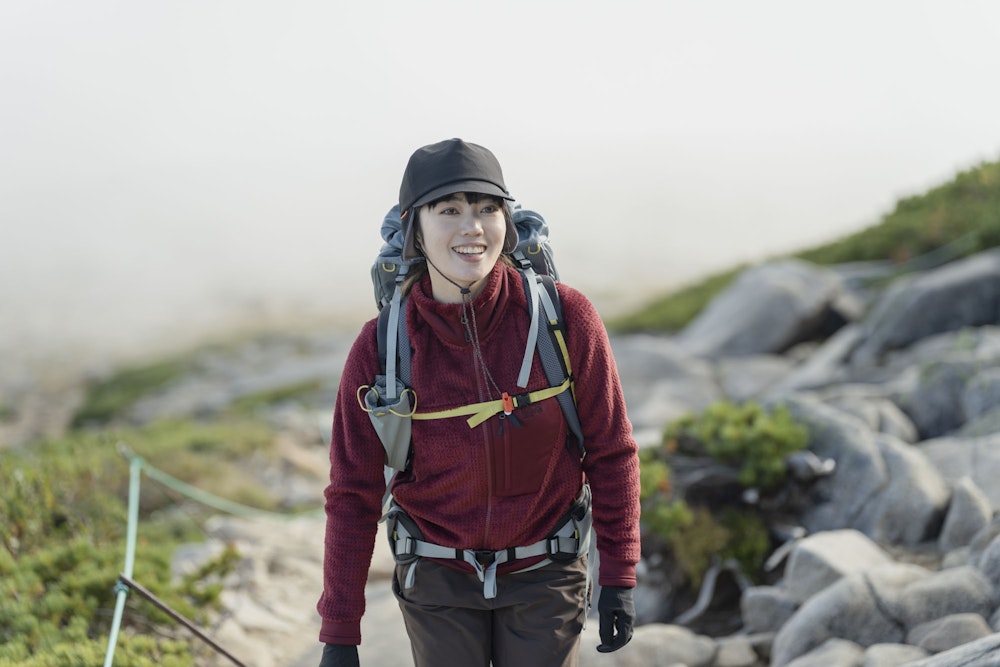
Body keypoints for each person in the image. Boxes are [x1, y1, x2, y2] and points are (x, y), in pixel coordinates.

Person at [316, 138, 641, 667]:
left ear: (507, 222)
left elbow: (612, 451)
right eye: (449, 210)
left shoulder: (565, 319)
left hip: (547, 571)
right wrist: (339, 631)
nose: (473, 228)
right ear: (413, 228)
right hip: (436, 579)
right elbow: (353, 493)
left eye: (488, 209)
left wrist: (619, 576)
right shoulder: (381, 346)